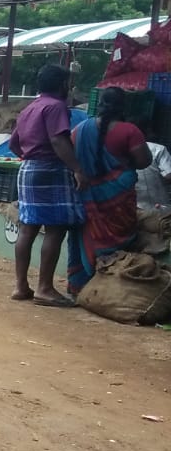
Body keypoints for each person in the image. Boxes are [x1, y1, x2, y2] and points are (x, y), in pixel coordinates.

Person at [8, 65, 86, 307]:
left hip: (28, 169)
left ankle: (21, 285)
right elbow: (58, 140)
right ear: (63, 85)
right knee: (55, 228)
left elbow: (13, 144)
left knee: (27, 228)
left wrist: (31, 155)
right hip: (51, 169)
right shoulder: (56, 107)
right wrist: (77, 168)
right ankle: (45, 288)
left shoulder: (29, 108)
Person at [66, 88, 152, 295]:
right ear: (124, 107)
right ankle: (108, 289)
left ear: (100, 105)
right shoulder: (130, 131)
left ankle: (79, 286)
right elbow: (144, 161)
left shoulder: (79, 129)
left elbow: (70, 158)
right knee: (120, 241)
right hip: (118, 202)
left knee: (82, 237)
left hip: (85, 197)